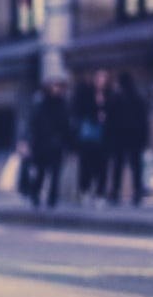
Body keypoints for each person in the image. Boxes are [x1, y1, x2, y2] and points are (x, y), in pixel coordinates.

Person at [26, 76, 72, 208]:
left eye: (59, 87)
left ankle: (52, 199)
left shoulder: (63, 105)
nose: (56, 89)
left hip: (56, 145)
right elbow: (33, 124)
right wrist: (30, 143)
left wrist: (67, 145)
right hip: (41, 145)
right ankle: (35, 195)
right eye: (54, 86)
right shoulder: (41, 105)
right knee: (40, 172)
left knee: (55, 174)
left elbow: (66, 127)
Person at [106, 71, 150, 206]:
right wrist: (144, 138)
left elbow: (111, 121)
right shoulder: (138, 98)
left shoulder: (117, 98)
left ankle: (115, 192)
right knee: (136, 166)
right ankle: (137, 192)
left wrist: (110, 138)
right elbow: (144, 121)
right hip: (135, 137)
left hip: (120, 137)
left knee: (119, 166)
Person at [72, 68, 112, 206]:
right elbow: (79, 111)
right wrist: (95, 115)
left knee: (101, 167)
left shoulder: (109, 95)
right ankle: (85, 191)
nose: (101, 81)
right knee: (86, 165)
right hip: (88, 135)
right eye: (99, 78)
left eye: (104, 78)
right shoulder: (86, 93)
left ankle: (100, 194)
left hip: (104, 135)